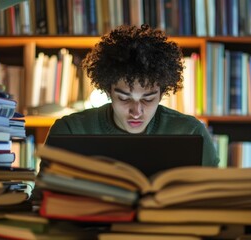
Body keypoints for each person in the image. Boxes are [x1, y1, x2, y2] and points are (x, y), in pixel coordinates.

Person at [45, 24, 219, 167]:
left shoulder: (191, 133)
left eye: (148, 99)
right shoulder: (71, 131)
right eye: (124, 98)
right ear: (108, 91)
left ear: (162, 93)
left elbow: (214, 201)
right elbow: (44, 198)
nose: (136, 111)